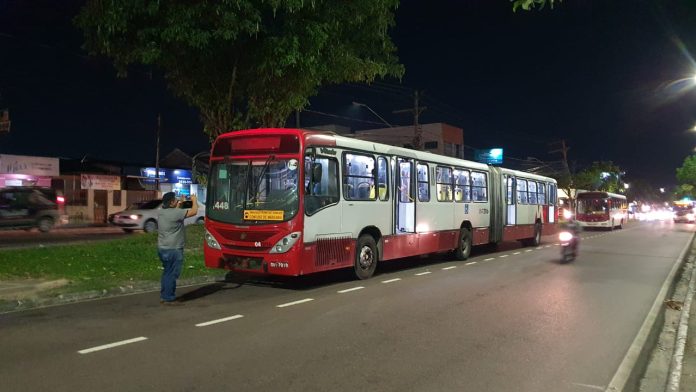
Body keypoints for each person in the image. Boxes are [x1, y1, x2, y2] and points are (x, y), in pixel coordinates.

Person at [157, 192, 198, 305]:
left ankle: (164, 295)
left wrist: (182, 202)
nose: (177, 200)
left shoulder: (161, 211)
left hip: (163, 248)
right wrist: (194, 200)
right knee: (173, 273)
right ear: (171, 202)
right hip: (173, 248)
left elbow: (177, 211)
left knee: (167, 272)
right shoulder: (175, 213)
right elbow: (194, 211)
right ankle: (168, 298)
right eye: (175, 199)